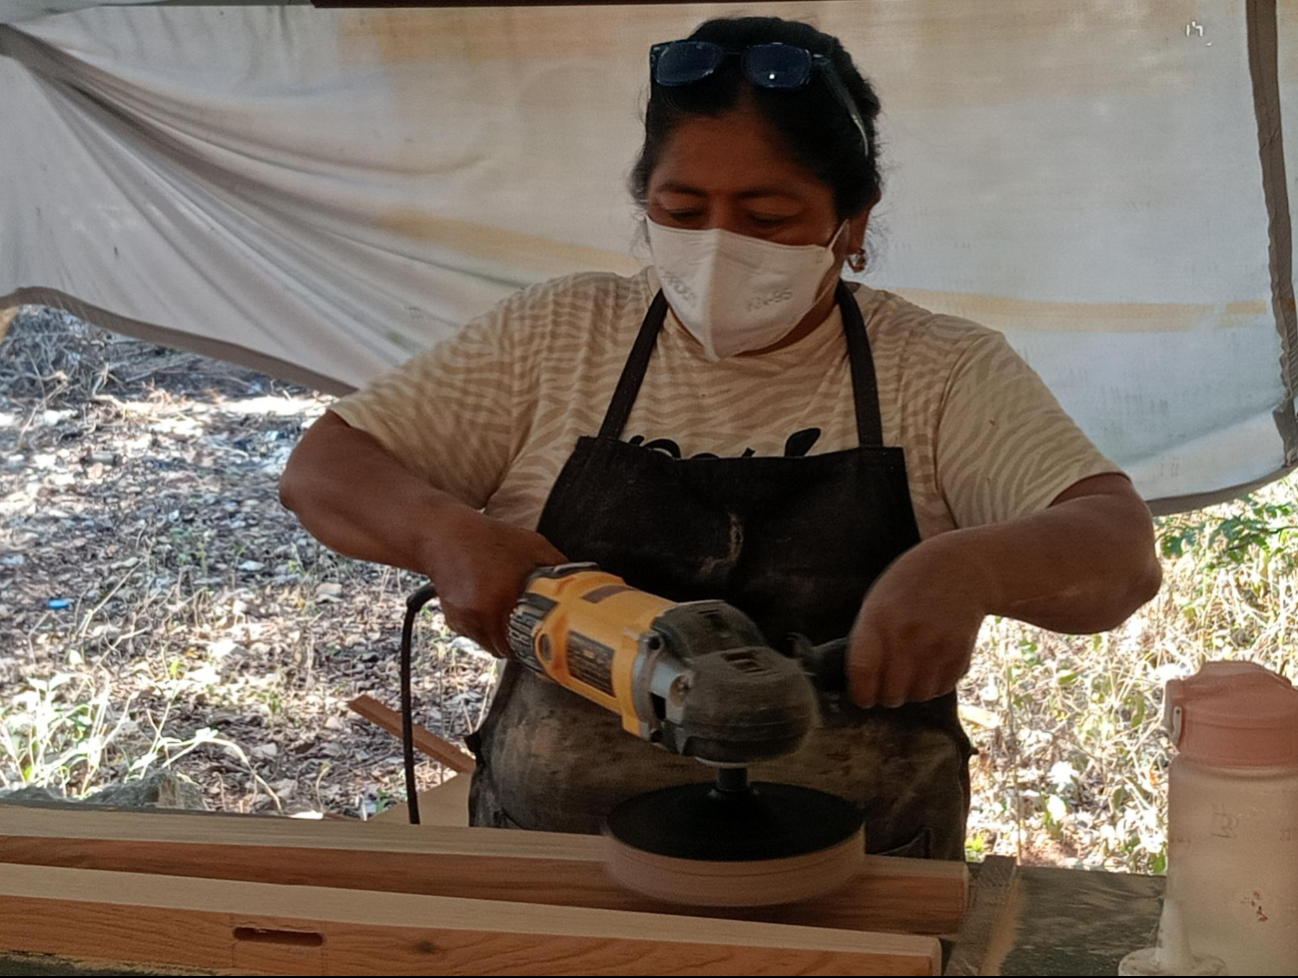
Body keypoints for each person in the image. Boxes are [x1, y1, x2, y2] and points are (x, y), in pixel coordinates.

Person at [281, 16, 1162, 860]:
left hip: (860, 870)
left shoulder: (938, 373)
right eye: (683, 208)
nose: (717, 247)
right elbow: (327, 469)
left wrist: (975, 567)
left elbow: (1118, 553)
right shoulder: (557, 337)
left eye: (768, 216)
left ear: (852, 222)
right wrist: (444, 532)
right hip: (556, 864)